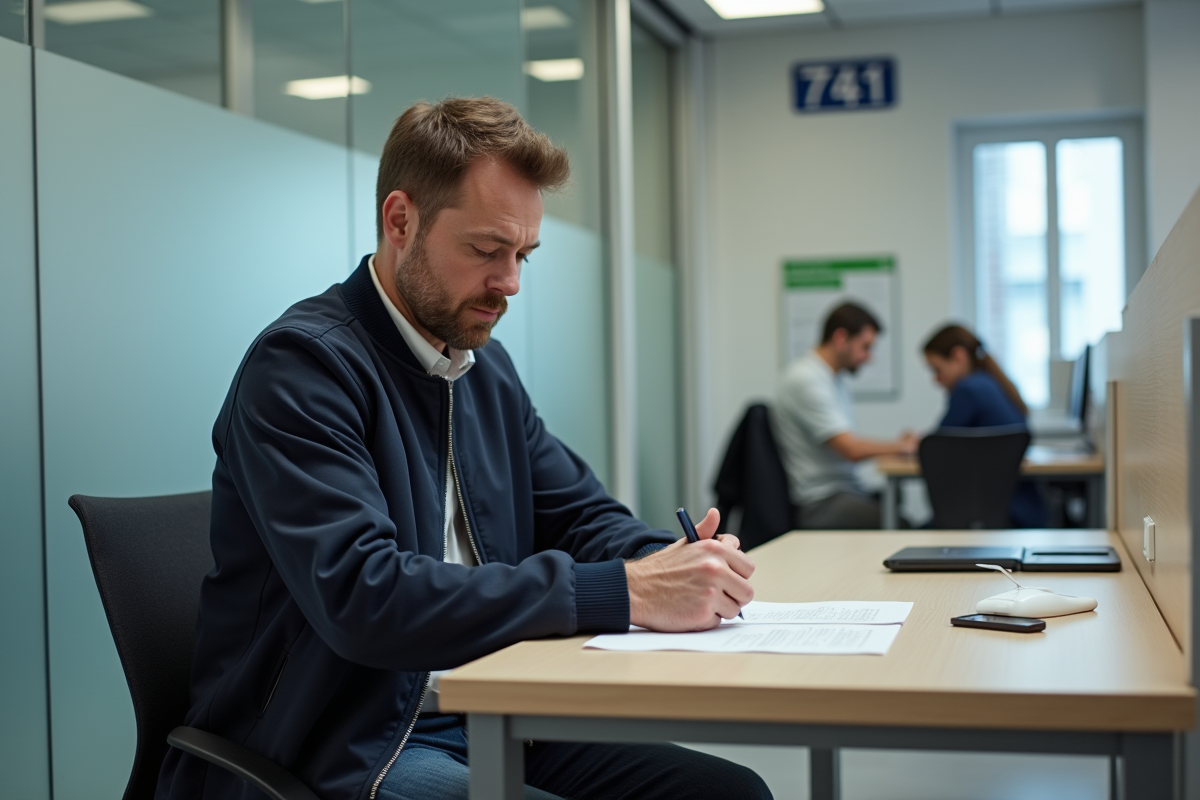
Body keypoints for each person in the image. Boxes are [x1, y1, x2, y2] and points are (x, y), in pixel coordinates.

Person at [156, 98, 770, 800]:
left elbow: (579, 515)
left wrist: (676, 560)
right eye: (485, 250)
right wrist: (626, 592)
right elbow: (367, 596)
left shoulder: (483, 368)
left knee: (730, 793)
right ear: (400, 221)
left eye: (522, 256)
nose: (509, 282)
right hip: (348, 742)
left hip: (492, 711)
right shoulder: (302, 368)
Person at [772, 302, 917, 530]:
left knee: (895, 505)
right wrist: (901, 446)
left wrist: (897, 446)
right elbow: (851, 449)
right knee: (901, 525)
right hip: (821, 502)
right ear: (841, 339)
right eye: (865, 347)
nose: (869, 357)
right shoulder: (806, 379)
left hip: (844, 491)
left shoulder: (831, 378)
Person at [921, 324, 1048, 528]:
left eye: (937, 369)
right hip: (1022, 514)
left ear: (958, 357)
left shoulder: (968, 390)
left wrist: (912, 444)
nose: (935, 379)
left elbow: (937, 445)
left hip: (990, 515)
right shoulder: (992, 385)